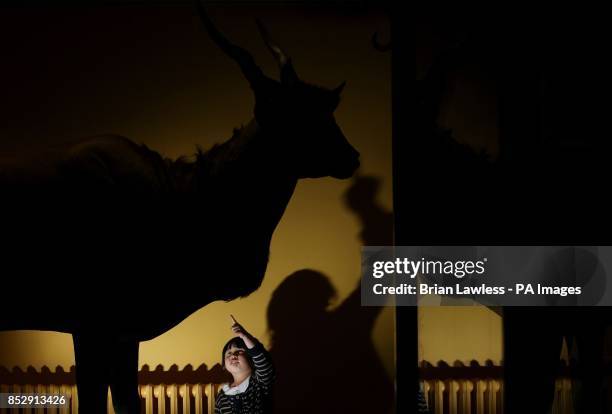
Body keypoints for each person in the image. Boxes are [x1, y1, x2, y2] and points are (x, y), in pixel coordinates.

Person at [215, 315, 275, 414]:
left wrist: (244, 336)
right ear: (224, 365)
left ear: (252, 359)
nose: (233, 355)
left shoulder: (260, 381)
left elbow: (261, 358)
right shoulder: (222, 396)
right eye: (228, 353)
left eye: (239, 351)